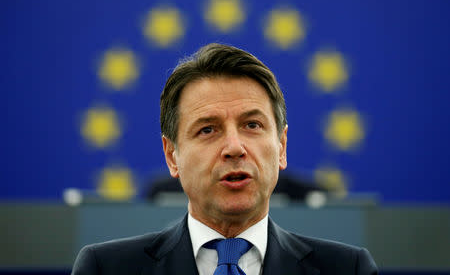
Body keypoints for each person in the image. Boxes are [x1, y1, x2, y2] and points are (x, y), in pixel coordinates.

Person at [72, 43, 378, 275]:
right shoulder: (104, 268)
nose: (235, 147)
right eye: (208, 129)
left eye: (252, 125)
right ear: (172, 156)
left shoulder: (349, 269)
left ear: (282, 146)